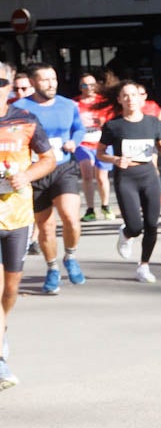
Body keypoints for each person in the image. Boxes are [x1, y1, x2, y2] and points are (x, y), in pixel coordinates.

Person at [0, 63, 60, 388]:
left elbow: (48, 159)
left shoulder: (25, 119)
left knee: (10, 290)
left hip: (18, 217)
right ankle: (0, 364)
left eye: (0, 82)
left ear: (10, 86)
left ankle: (3, 327)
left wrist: (26, 176)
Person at [17, 65, 87, 294]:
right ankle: (52, 268)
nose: (51, 84)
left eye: (53, 79)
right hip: (35, 172)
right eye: (45, 80)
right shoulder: (20, 108)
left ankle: (70, 255)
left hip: (63, 167)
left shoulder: (68, 105)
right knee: (45, 228)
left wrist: (74, 142)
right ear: (34, 82)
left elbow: (79, 128)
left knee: (70, 217)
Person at [100, 81, 161, 283]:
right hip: (126, 178)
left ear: (142, 98)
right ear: (119, 100)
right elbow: (100, 153)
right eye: (125, 95)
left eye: (134, 95)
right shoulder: (114, 125)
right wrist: (115, 159)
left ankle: (144, 266)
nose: (130, 99)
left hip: (149, 175)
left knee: (152, 224)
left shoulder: (153, 123)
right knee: (135, 226)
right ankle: (125, 233)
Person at [74, 73, 116, 221]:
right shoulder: (75, 103)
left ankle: (105, 206)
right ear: (80, 87)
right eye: (85, 85)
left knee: (101, 177)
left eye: (92, 84)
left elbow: (112, 121)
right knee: (86, 175)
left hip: (102, 142)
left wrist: (103, 121)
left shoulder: (103, 102)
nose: (89, 88)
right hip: (83, 143)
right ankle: (90, 209)